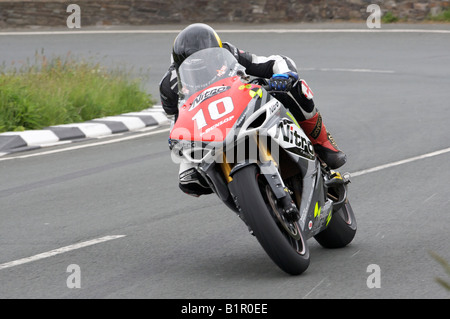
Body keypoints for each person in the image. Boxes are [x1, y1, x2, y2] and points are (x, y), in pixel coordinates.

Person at [159, 23, 346, 197]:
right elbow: (176, 123)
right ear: (178, 65)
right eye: (195, 66)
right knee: (187, 178)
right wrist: (177, 144)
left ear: (217, 52)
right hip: (211, 130)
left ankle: (323, 144)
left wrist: (284, 75)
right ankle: (242, 199)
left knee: (296, 87)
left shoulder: (229, 53)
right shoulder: (169, 86)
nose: (204, 67)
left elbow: (274, 62)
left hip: (246, 105)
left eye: (208, 59)